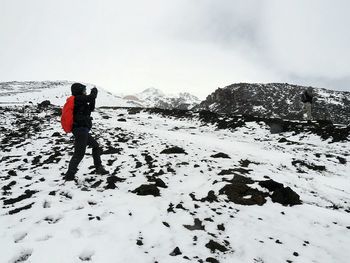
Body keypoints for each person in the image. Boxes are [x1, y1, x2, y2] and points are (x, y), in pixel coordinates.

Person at [64, 83, 108, 181]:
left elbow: (91, 107)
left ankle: (98, 167)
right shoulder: (77, 98)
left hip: (82, 130)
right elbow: (91, 97)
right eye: (84, 90)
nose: (85, 92)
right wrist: (94, 91)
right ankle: (69, 175)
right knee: (79, 154)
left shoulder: (81, 101)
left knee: (96, 146)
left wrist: (93, 98)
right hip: (80, 130)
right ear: (79, 90)